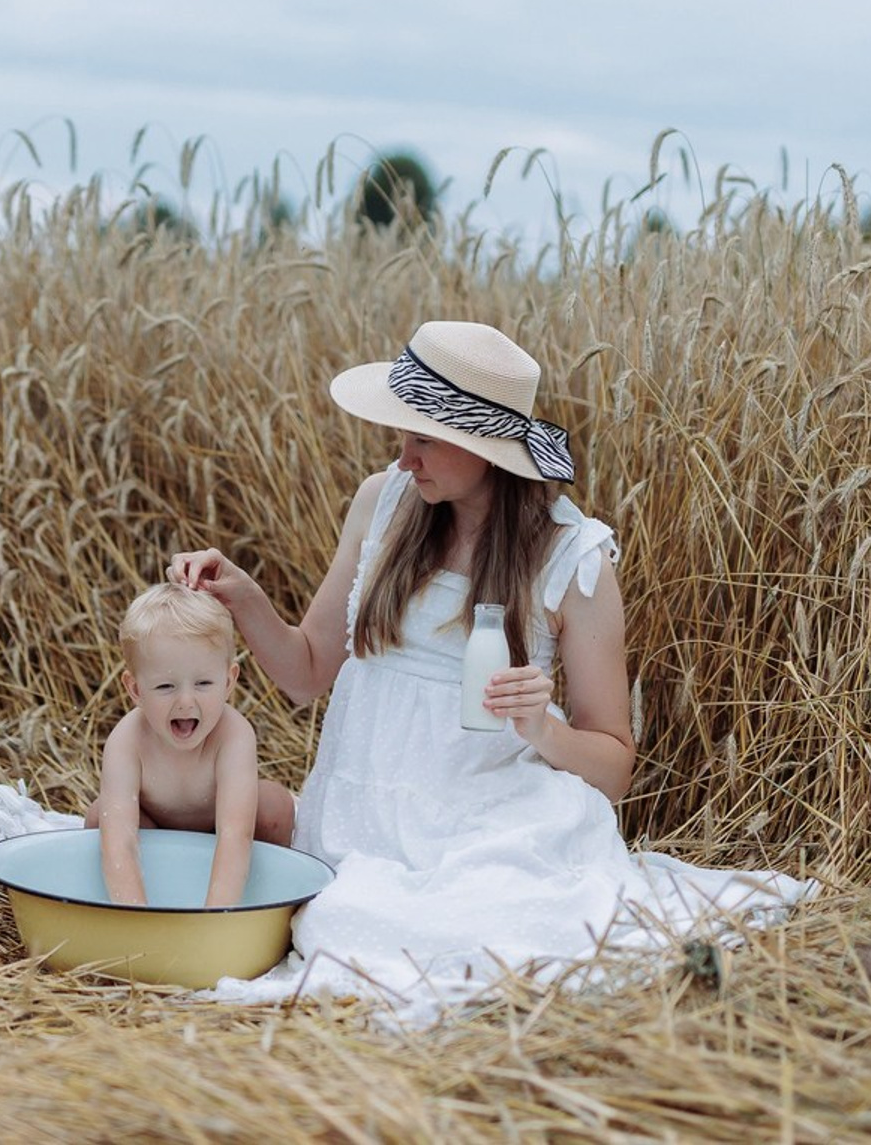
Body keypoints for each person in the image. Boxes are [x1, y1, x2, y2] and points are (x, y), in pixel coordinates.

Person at [169, 320, 812, 1018]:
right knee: (350, 914)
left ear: (485, 449)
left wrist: (541, 727)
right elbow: (307, 671)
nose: (403, 456)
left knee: (416, 931)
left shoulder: (574, 557)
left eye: (422, 437)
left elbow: (613, 766)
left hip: (490, 819)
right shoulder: (382, 504)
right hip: (362, 821)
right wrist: (243, 596)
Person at [84, 583, 295, 908]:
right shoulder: (127, 739)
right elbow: (119, 841)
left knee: (275, 806)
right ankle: (135, 898)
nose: (186, 701)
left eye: (203, 683)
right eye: (166, 686)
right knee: (101, 817)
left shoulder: (234, 734)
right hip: (154, 827)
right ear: (135, 689)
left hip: (219, 825)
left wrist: (213, 917)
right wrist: (137, 918)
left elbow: (234, 834)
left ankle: (272, 898)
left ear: (228, 681)